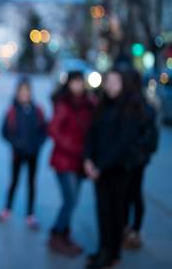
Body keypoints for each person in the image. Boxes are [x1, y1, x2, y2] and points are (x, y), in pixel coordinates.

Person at [84, 69, 145, 269]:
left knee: (116, 214)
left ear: (123, 84)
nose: (110, 85)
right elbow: (92, 133)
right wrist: (88, 160)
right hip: (99, 169)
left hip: (118, 171)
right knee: (102, 212)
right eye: (108, 81)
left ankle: (113, 254)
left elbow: (123, 144)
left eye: (115, 82)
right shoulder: (101, 106)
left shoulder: (130, 109)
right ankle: (103, 250)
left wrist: (100, 166)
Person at [47, 71, 95, 256]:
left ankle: (64, 234)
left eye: (80, 82)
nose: (78, 86)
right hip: (64, 161)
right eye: (74, 82)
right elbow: (53, 129)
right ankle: (57, 233)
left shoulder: (89, 104)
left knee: (72, 201)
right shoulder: (64, 104)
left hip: (80, 162)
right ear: (68, 84)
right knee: (70, 200)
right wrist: (73, 146)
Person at [0, 77, 47, 229]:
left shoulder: (37, 110)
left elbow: (44, 130)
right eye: (22, 91)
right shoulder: (12, 110)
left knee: (31, 183)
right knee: (14, 182)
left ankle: (30, 214)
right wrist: (16, 144)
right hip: (17, 154)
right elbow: (4, 131)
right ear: (17, 93)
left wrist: (37, 144)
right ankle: (7, 209)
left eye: (27, 91)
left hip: (33, 154)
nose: (25, 94)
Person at [122, 69, 159, 249]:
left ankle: (133, 230)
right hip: (133, 158)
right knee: (132, 194)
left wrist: (139, 152)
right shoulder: (137, 103)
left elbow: (149, 135)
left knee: (133, 194)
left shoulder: (142, 105)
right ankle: (130, 229)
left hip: (135, 159)